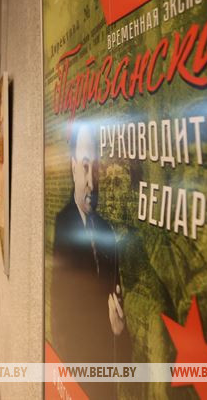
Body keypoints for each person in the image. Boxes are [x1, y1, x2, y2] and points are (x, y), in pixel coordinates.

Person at [50, 121, 130, 397]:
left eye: (96, 168)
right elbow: (61, 312)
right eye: (85, 166)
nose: (92, 182)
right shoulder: (62, 225)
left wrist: (118, 330)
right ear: (72, 166)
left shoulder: (106, 230)